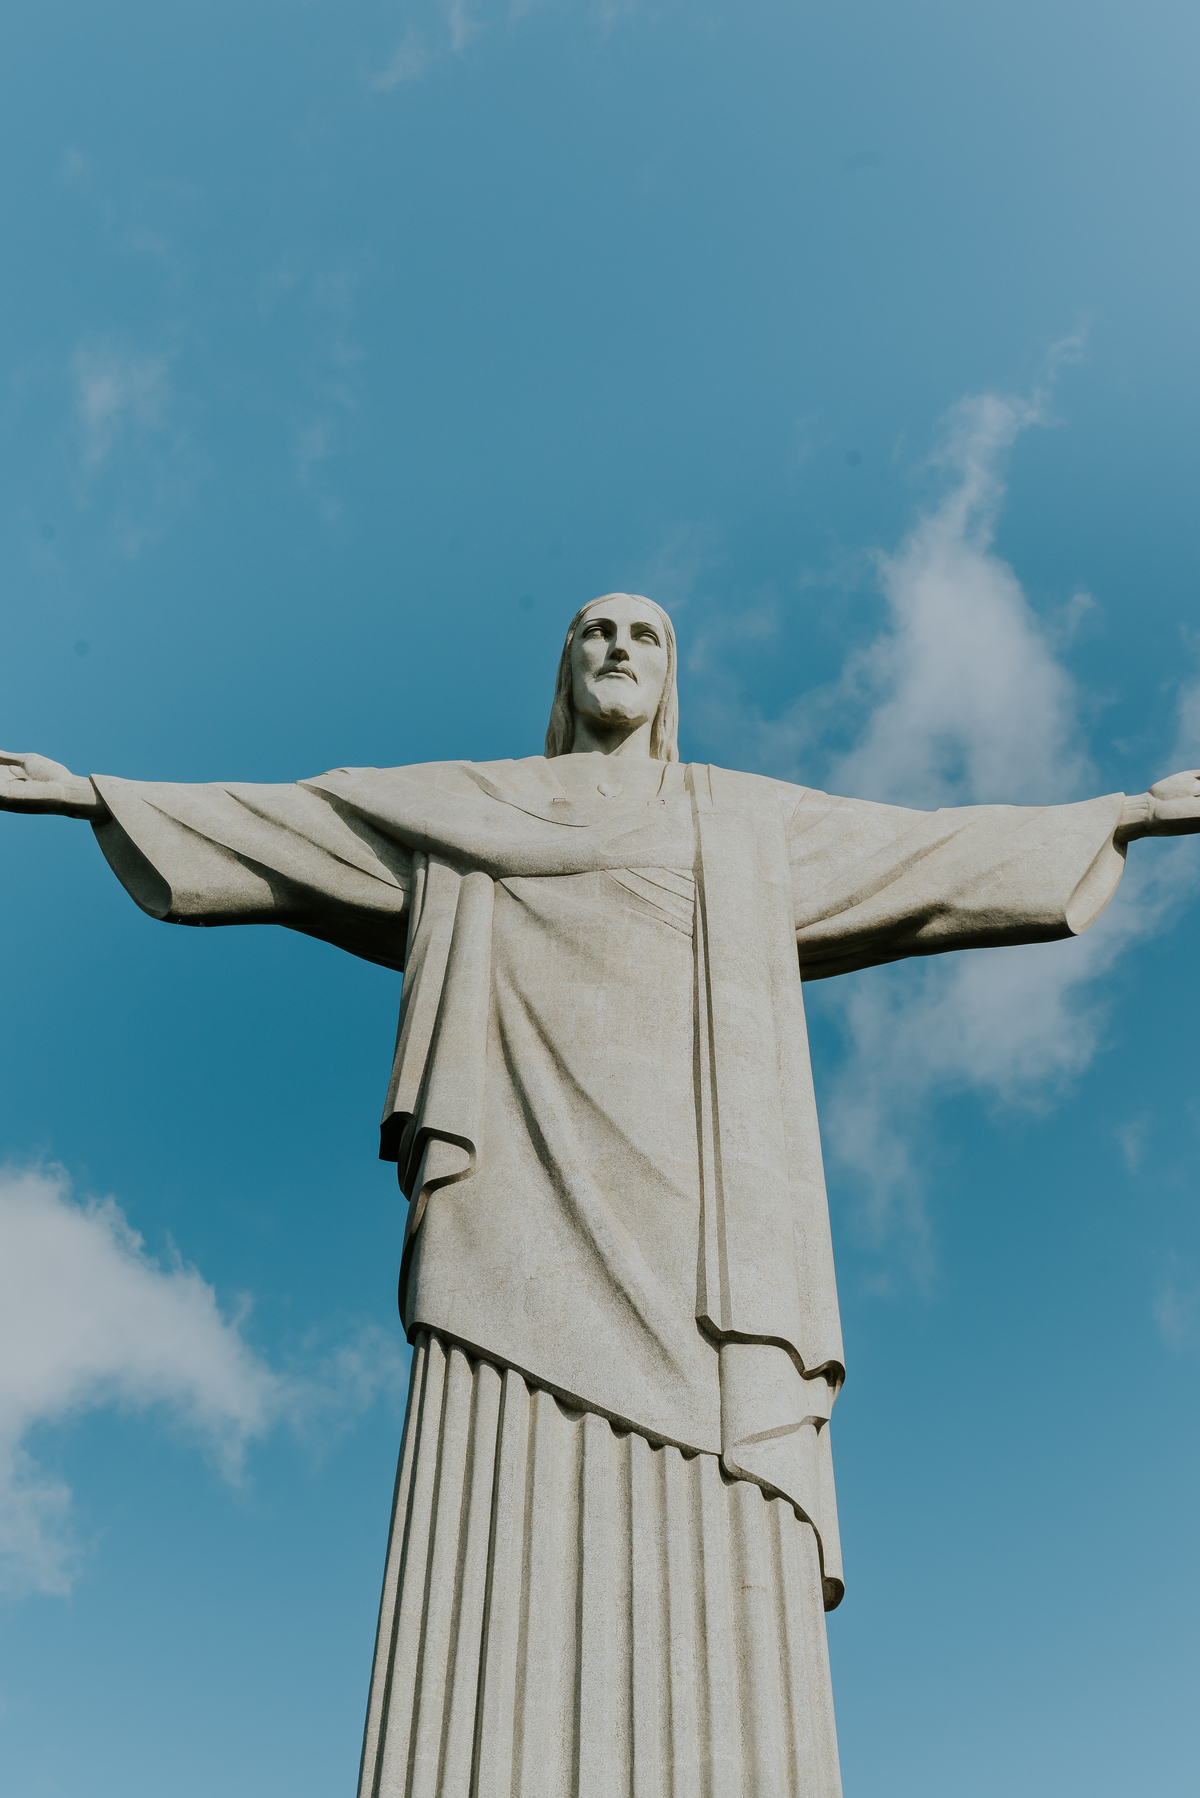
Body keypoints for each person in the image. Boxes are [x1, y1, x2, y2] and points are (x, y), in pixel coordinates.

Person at [3, 592, 1198, 1798]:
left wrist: (1123, 815)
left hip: (707, 1230)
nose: (620, 647)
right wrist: (101, 795)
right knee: (495, 1505)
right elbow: (302, 823)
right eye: (597, 631)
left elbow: (932, 852)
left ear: (670, 677)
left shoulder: (739, 821)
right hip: (511, 1200)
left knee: (718, 1530)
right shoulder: (466, 812)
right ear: (566, 664)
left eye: (647, 635)